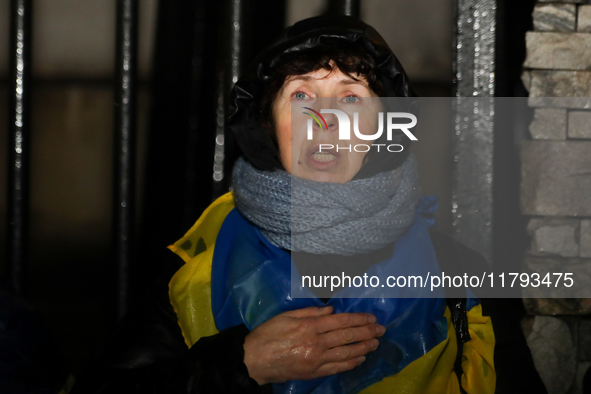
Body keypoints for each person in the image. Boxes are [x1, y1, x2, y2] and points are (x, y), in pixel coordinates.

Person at [71, 15, 547, 394]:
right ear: (268, 126)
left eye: (352, 98)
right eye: (300, 95)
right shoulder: (198, 271)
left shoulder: (456, 272)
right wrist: (240, 365)